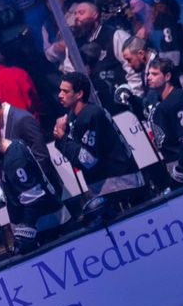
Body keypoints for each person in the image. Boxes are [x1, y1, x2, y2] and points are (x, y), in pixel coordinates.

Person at [53, 71, 145, 218]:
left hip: (120, 186)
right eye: (60, 90)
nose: (60, 95)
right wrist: (62, 138)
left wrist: (63, 138)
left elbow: (87, 160)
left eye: (65, 91)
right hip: (106, 186)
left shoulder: (91, 115)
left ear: (79, 94)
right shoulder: (75, 116)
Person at [0, 128, 65, 254]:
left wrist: (26, 228)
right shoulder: (11, 149)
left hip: (47, 223)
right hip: (43, 222)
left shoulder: (14, 159)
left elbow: (35, 197)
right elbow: (22, 191)